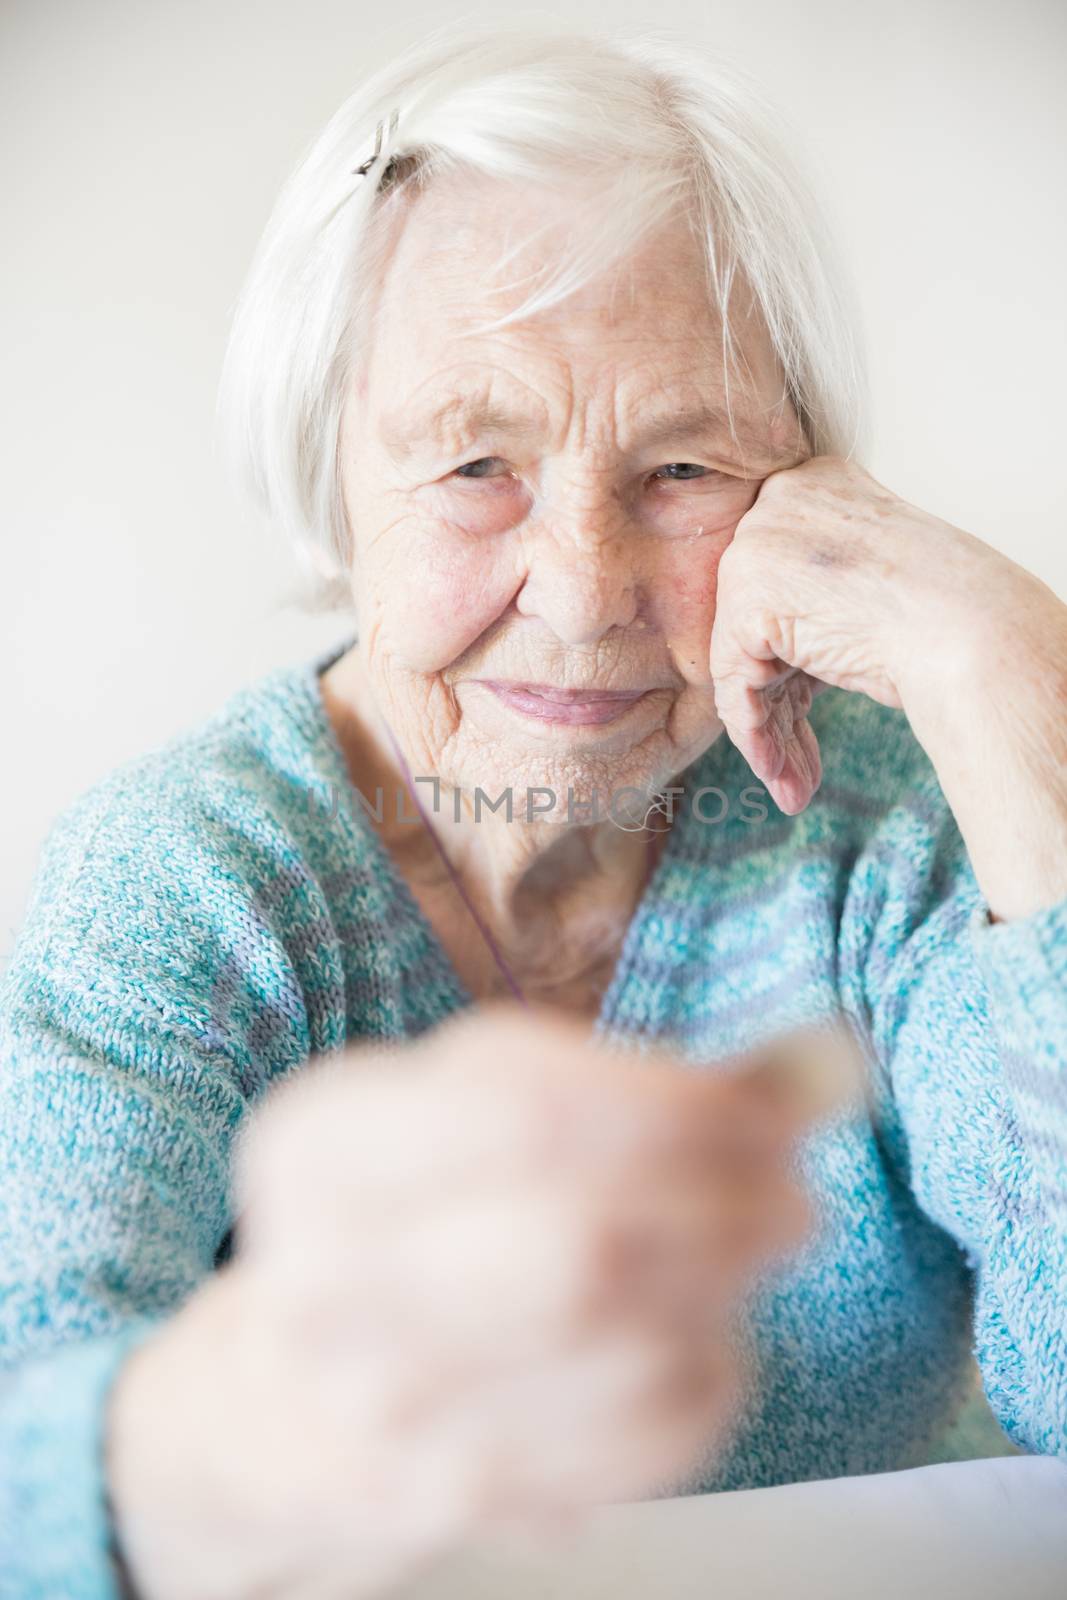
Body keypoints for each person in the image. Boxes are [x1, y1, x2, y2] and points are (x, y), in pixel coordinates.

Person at [2, 21, 1065, 1600]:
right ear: (331, 468)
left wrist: (1010, 681)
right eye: (476, 462)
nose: (582, 595)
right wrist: (254, 1424)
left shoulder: (892, 820)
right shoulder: (180, 879)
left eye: (684, 466)